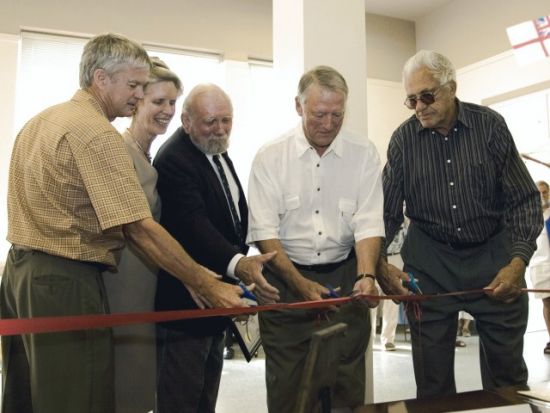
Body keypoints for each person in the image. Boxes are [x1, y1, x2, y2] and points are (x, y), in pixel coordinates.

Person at [1, 33, 246, 413]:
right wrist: (202, 282)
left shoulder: (42, 120)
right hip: (64, 279)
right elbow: (138, 227)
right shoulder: (97, 134)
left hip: (19, 274)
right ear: (101, 79)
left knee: (27, 396)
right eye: (133, 85)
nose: (137, 94)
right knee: (77, 397)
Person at [377, 49, 543, 398]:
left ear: (451, 87)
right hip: (431, 263)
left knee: (507, 379)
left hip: (494, 256)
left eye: (426, 96)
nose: (419, 106)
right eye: (411, 100)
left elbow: (523, 200)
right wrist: (377, 265)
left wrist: (518, 263)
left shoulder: (490, 127)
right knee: (432, 382)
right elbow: (387, 213)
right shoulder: (403, 141)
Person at [247, 65, 384, 412]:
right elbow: (265, 233)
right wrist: (298, 282)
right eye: (319, 114)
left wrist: (367, 276)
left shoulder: (363, 153)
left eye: (337, 115)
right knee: (288, 388)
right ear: (299, 106)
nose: (328, 124)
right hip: (285, 280)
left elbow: (368, 221)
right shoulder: (270, 156)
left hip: (344, 278)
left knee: (346, 386)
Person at [153, 83, 278, 413]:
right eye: (210, 122)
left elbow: (234, 211)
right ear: (187, 120)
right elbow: (195, 228)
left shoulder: (214, 150)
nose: (220, 129)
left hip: (216, 303)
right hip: (185, 308)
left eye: (226, 120)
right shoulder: (174, 159)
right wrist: (239, 263)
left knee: (205, 400)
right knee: (181, 401)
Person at [101, 57, 182, 413]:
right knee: (120, 388)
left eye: (172, 103)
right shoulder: (120, 152)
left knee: (137, 388)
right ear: (137, 103)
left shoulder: (151, 156)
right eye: (158, 102)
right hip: (121, 285)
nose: (167, 111)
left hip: (143, 288)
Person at [529, 180, 550, 354]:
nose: (542, 196)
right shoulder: (530, 216)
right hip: (540, 266)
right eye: (539, 193)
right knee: (547, 303)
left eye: (545, 192)